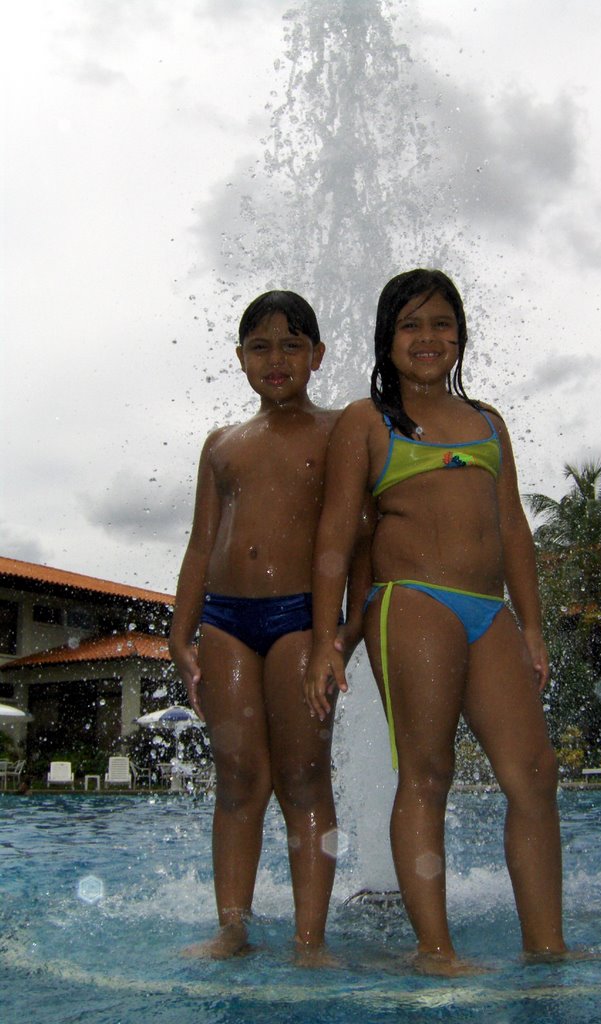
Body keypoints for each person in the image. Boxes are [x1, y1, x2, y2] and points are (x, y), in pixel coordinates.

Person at [305, 269, 567, 974]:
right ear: (387, 339)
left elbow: (511, 525)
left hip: (491, 613)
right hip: (411, 601)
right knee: (427, 772)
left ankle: (547, 946)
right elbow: (336, 534)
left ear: (461, 334)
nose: (428, 339)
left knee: (533, 774)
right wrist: (328, 638)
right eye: (411, 325)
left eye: (442, 324)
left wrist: (533, 626)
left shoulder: (487, 420)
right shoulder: (367, 420)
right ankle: (435, 950)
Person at [169, 290, 368, 962]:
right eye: (260, 346)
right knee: (236, 777)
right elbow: (201, 543)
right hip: (224, 620)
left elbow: (359, 538)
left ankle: (310, 935)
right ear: (240, 359)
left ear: (316, 355)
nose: (275, 359)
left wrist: (339, 635)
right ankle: (232, 926)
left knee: (304, 776)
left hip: (300, 620)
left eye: (290, 345)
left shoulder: (341, 428)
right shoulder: (222, 444)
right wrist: (180, 629)